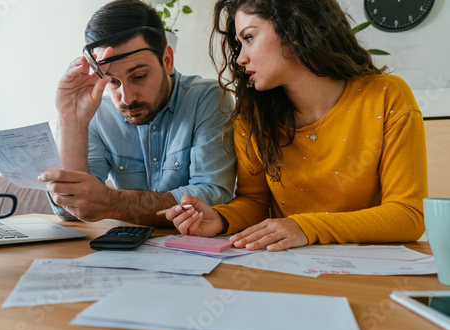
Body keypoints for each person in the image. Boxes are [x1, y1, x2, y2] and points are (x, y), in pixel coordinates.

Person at [166, 0, 427, 251]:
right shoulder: (252, 115)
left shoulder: (386, 95)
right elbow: (256, 201)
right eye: (239, 43)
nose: (240, 58)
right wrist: (221, 219)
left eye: (248, 38)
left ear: (294, 30)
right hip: (289, 267)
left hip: (372, 272)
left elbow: (408, 215)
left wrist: (305, 227)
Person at [38, 0, 236, 225]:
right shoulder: (97, 114)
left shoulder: (206, 98)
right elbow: (73, 210)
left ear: (167, 61)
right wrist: (70, 119)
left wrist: (112, 202)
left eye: (139, 76)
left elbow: (215, 195)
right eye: (112, 81)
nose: (127, 97)